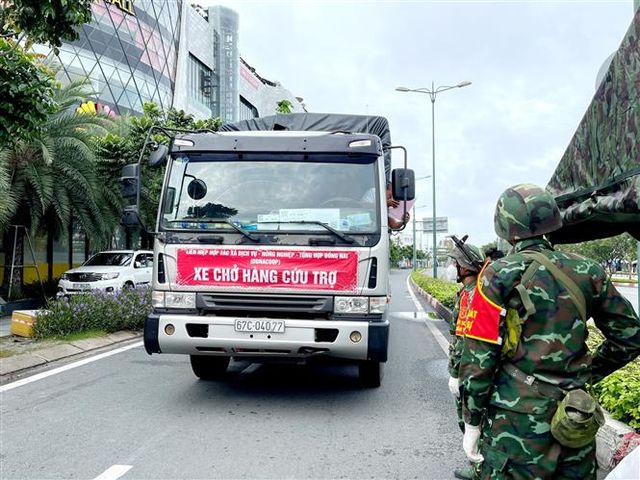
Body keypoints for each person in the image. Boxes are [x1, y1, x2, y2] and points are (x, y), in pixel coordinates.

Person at [458, 183, 640, 479]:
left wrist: (472, 421)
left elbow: (479, 358)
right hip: (575, 417)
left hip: (515, 422)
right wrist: (588, 373)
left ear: (506, 227)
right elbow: (631, 336)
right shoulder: (589, 271)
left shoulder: (497, 275)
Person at [446, 239, 486, 480]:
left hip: (470, 369)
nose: (453, 267)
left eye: (456, 263)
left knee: (470, 420)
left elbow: (462, 337)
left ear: (465, 268)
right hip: (474, 366)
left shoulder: (471, 295)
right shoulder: (470, 292)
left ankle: (479, 467)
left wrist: (454, 373)